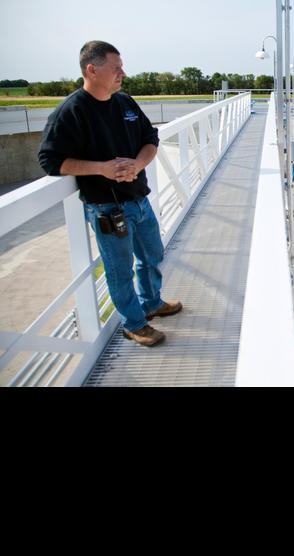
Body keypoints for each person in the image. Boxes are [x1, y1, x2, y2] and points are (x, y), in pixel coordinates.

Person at [38, 41, 181, 347]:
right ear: (92, 70)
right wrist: (101, 169)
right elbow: (50, 161)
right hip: (107, 208)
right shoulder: (71, 111)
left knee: (153, 255)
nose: (123, 73)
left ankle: (152, 303)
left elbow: (150, 137)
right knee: (119, 271)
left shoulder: (125, 102)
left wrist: (138, 164)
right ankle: (135, 324)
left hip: (139, 200)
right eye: (116, 68)